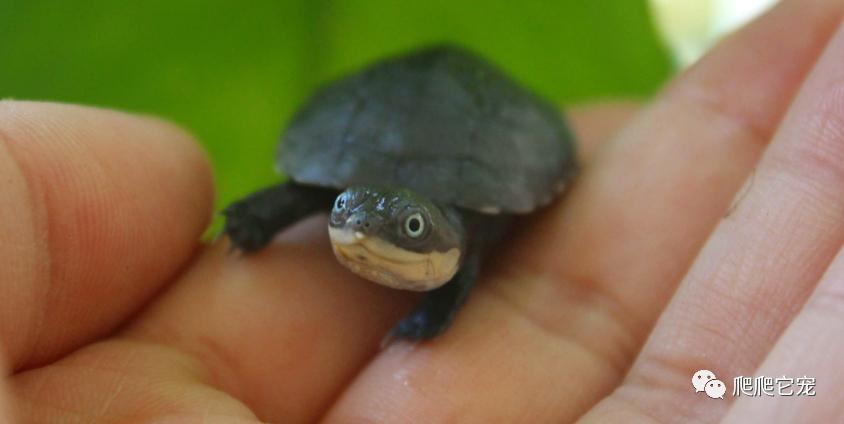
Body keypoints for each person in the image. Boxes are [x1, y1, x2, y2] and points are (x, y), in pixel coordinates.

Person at [1, 0, 842, 422]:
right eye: (353, 220)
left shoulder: (460, 235)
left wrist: (438, 307)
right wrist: (261, 219)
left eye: (398, 228)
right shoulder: (342, 204)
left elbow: (453, 243)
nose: (361, 227)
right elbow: (316, 197)